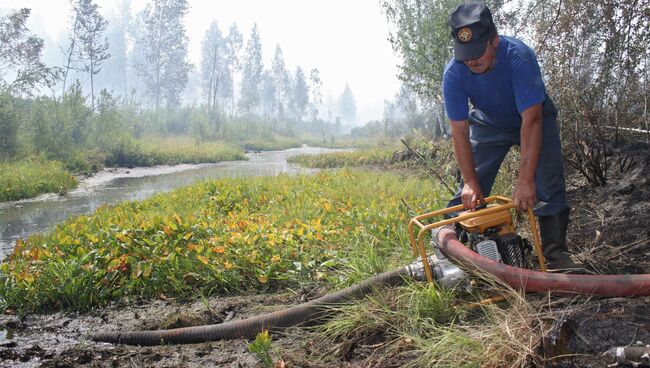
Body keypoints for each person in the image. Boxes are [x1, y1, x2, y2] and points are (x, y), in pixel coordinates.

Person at [442, 2, 581, 272]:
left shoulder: (519, 57)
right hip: (489, 123)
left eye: (478, 51)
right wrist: (471, 181)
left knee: (547, 180)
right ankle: (452, 253)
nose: (472, 60)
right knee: (468, 192)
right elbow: (459, 131)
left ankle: (556, 255)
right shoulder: (454, 74)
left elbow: (532, 119)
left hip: (533, 117)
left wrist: (525, 180)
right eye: (465, 54)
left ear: (493, 39)